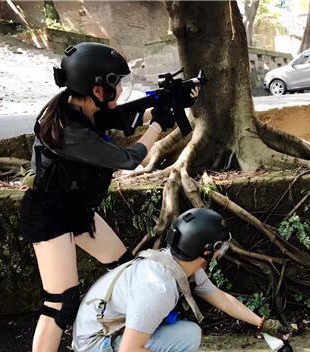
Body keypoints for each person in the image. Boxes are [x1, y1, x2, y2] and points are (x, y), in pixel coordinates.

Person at [19, 42, 199, 352]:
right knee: (61, 302)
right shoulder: (69, 131)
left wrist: (169, 100)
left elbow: (124, 116)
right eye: (114, 83)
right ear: (97, 88)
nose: (118, 91)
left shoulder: (78, 105)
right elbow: (131, 159)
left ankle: (120, 337)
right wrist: (157, 124)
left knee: (125, 267)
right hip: (48, 215)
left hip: (76, 210)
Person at [72, 208, 291, 352]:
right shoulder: (158, 288)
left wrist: (263, 324)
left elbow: (219, 297)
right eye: (220, 247)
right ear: (206, 252)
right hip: (95, 344)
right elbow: (129, 350)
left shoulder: (181, 263)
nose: (223, 251)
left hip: (111, 330)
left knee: (189, 335)